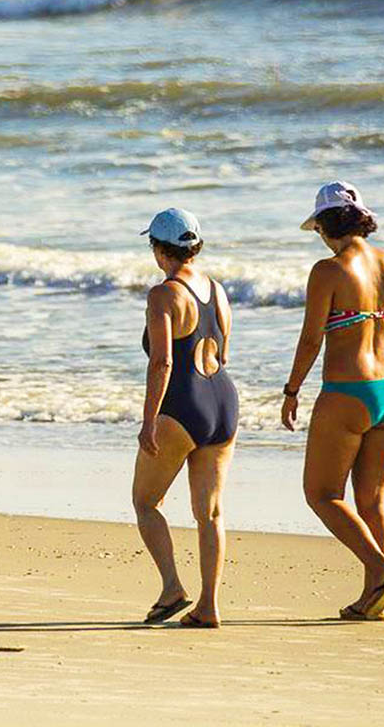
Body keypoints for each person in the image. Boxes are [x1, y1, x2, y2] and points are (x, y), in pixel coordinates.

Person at [281, 181, 384, 621]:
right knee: (372, 499)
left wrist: (292, 389)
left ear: (324, 226)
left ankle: (381, 567)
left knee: (321, 494)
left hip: (348, 391)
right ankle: (373, 597)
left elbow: (310, 338)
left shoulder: (329, 271)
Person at [132, 207, 239, 629]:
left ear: (160, 250)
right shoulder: (217, 289)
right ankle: (209, 606)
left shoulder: (163, 295)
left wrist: (148, 421)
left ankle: (173, 588)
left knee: (145, 502)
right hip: (222, 403)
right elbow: (223, 352)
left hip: (182, 405)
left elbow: (162, 363)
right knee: (209, 512)